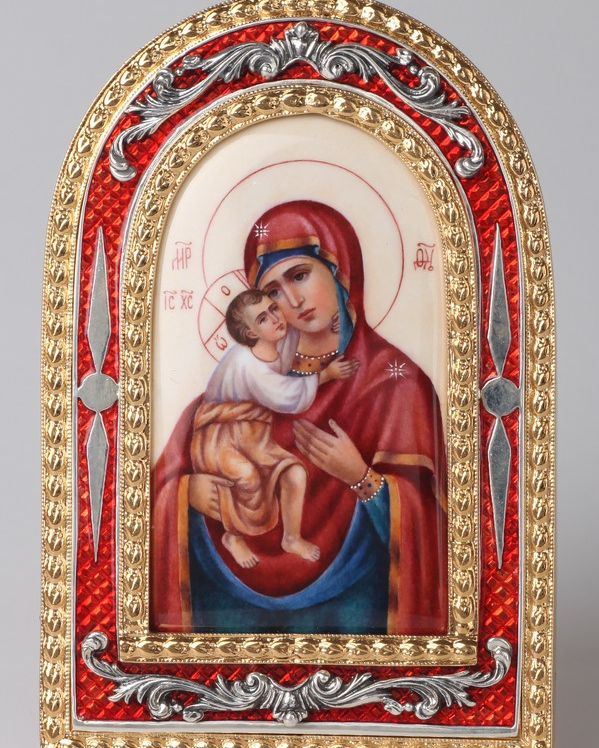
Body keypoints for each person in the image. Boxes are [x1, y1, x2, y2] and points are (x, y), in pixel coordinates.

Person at [151, 201, 447, 636]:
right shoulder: (237, 393)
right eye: (272, 292)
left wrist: (361, 478)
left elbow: (438, 536)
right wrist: (187, 495)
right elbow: (150, 502)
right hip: (231, 633)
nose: (292, 301)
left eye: (300, 275)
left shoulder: (396, 387)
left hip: (356, 624)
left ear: (341, 270)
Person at [190, 288, 359, 568]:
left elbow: (301, 332)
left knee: (294, 473)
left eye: (273, 309)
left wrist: (335, 319)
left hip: (254, 433)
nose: (275, 318)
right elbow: (285, 396)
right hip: (220, 435)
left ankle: (291, 538)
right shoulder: (248, 363)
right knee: (246, 478)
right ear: (251, 332)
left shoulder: (279, 339)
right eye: (263, 319)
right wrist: (325, 375)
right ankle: (233, 536)